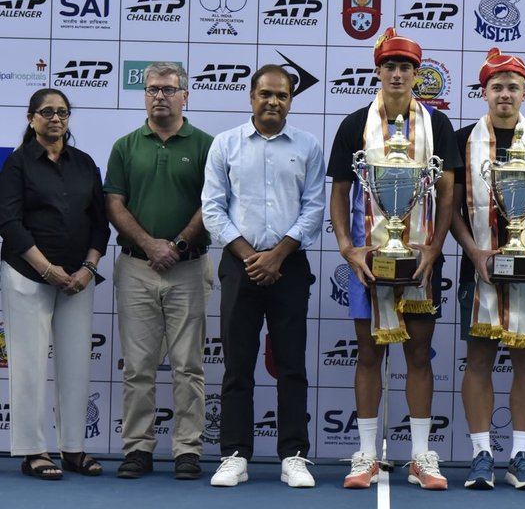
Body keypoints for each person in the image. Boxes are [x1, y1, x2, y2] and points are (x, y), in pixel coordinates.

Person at [328, 27, 460, 490]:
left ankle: (422, 454)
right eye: (390, 66)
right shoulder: (353, 125)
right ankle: (365, 453)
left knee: (419, 353)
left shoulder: (437, 125)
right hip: (368, 260)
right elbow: (339, 193)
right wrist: (347, 247)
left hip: (421, 259)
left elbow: (448, 193)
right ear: (378, 72)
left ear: (417, 74)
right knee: (369, 353)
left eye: (406, 67)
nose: (398, 74)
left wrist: (435, 245)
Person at [202, 64, 325, 488]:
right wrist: (251, 255)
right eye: (265, 94)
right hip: (240, 265)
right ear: (251, 97)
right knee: (238, 365)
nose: (273, 101)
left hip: (289, 266)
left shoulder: (308, 146)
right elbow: (213, 208)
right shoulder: (225, 144)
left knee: (291, 365)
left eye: (282, 95)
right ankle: (234, 454)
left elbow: (314, 208)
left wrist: (277, 255)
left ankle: (293, 455)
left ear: (291, 100)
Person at [451, 49, 525, 490]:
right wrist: (474, 252)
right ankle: (482, 454)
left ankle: (521, 455)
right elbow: (453, 211)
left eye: (512, 87)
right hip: (478, 270)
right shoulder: (463, 140)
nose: (504, 94)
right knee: (479, 359)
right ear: (484, 92)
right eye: (496, 87)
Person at [104, 62, 214, 480]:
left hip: (189, 266)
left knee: (189, 366)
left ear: (186, 95)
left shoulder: (205, 145)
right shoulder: (126, 146)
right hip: (136, 267)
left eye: (169, 89)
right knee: (137, 366)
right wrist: (151, 244)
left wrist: (179, 244)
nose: (159, 96)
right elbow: (114, 203)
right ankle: (137, 449)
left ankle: (187, 450)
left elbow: (212, 203)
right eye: (152, 89)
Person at [0, 88, 110, 479]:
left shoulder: (84, 163)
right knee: (28, 365)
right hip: (27, 275)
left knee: (77, 365)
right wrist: (47, 269)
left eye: (62, 112)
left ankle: (74, 449)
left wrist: (87, 268)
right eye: (47, 112)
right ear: (31, 118)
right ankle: (33, 451)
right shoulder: (17, 164)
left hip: (78, 280)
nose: (56, 118)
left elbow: (100, 223)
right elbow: (9, 224)